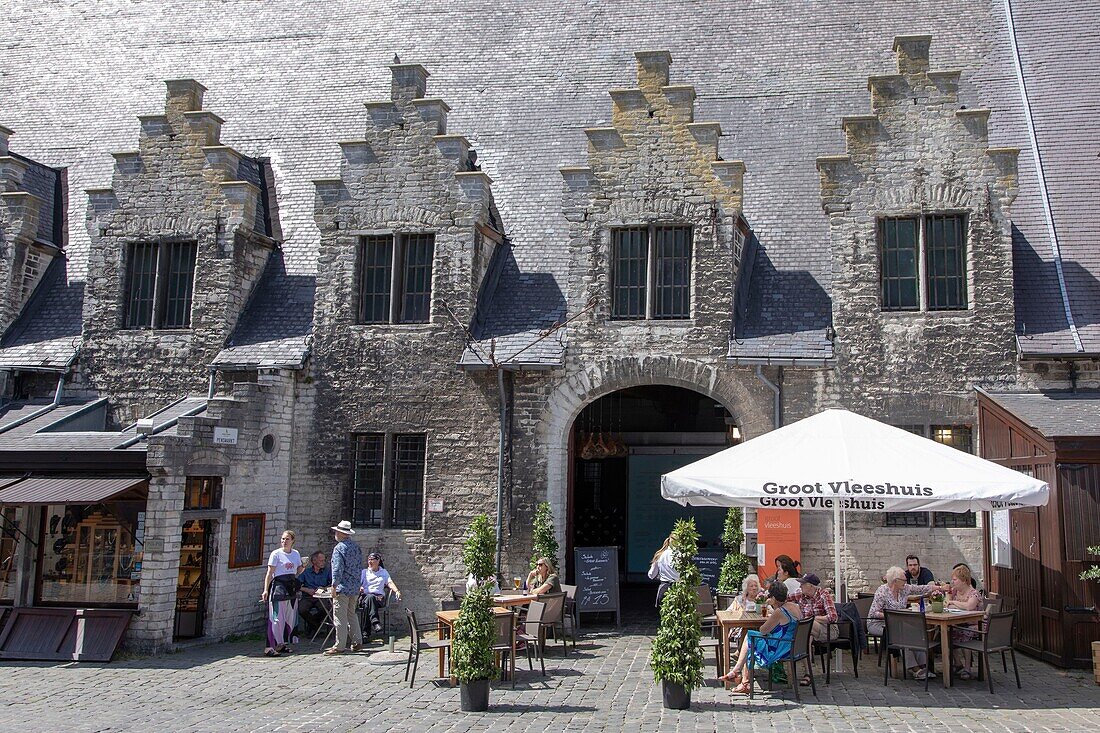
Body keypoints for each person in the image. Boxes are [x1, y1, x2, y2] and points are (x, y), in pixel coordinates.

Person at [721, 582, 801, 693]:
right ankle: (740, 676)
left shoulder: (779, 612)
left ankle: (739, 675)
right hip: (794, 647)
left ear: (773, 598)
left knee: (750, 637)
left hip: (780, 649)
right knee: (751, 639)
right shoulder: (795, 606)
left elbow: (763, 630)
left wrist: (772, 615)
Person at [867, 565, 941, 679]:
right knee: (903, 634)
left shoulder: (904, 589)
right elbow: (874, 613)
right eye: (904, 580)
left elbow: (921, 589)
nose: (906, 582)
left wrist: (939, 588)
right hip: (878, 623)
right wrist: (891, 616)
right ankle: (913, 668)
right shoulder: (882, 591)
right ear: (895, 581)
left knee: (916, 630)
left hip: (898, 623)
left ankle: (923, 665)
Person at [260, 529, 304, 657]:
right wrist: (265, 590)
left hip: (291, 587)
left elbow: (297, 571)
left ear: (293, 541)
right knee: (276, 618)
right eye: (283, 539)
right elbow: (269, 574)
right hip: (279, 587)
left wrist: (303, 566)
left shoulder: (295, 554)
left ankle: (281, 644)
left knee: (288, 617)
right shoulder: (276, 554)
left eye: (287, 539)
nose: (284, 541)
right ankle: (269, 647)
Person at [789, 573, 838, 686]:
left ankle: (796, 666)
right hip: (808, 629)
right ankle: (808, 673)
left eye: (803, 583)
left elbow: (832, 617)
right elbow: (784, 598)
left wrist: (813, 618)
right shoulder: (800, 594)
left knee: (806, 626)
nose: (800, 586)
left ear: (810, 585)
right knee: (806, 637)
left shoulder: (823, 595)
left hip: (828, 629)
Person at [324, 520, 363, 656]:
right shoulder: (356, 547)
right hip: (354, 586)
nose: (335, 533)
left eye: (336, 532)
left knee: (339, 616)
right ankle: (357, 641)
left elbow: (337, 569)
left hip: (343, 586)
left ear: (340, 533)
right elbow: (359, 567)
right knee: (351, 614)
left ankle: (339, 645)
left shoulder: (339, 548)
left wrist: (334, 586)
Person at [944, 564, 982, 679]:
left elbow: (969, 606)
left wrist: (954, 603)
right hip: (959, 623)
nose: (953, 582)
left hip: (976, 625)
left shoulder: (973, 593)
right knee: (946, 632)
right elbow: (946, 603)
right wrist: (949, 596)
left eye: (955, 580)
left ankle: (967, 668)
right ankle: (958, 663)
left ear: (964, 580)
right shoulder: (955, 592)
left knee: (965, 633)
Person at [359, 551, 402, 638]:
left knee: (369, 603)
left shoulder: (384, 572)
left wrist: (397, 591)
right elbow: (358, 584)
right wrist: (360, 588)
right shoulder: (364, 572)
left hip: (379, 599)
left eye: (372, 560)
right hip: (364, 597)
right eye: (369, 560)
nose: (370, 562)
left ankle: (365, 635)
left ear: (378, 561)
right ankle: (375, 622)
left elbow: (389, 582)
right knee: (369, 598)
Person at [723, 574, 761, 658]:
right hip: (741, 626)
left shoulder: (761, 599)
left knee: (748, 629)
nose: (754, 588)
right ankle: (742, 654)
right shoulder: (739, 599)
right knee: (746, 629)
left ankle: (740, 653)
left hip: (759, 626)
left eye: (755, 586)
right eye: (751, 586)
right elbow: (728, 611)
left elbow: (771, 611)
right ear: (746, 588)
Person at [297, 551, 331, 634]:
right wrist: (307, 590)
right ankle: (316, 626)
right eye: (321, 560)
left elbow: (332, 584)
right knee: (302, 609)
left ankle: (312, 626)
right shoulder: (306, 572)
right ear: (314, 561)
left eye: (324, 560)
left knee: (326, 608)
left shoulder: (327, 571)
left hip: (321, 596)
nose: (323, 562)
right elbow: (297, 585)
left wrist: (324, 588)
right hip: (308, 596)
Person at [647, 536, 678, 607]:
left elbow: (651, 575)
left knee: (665, 615)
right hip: (679, 589)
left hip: (665, 588)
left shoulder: (660, 554)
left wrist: (660, 575)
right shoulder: (682, 555)